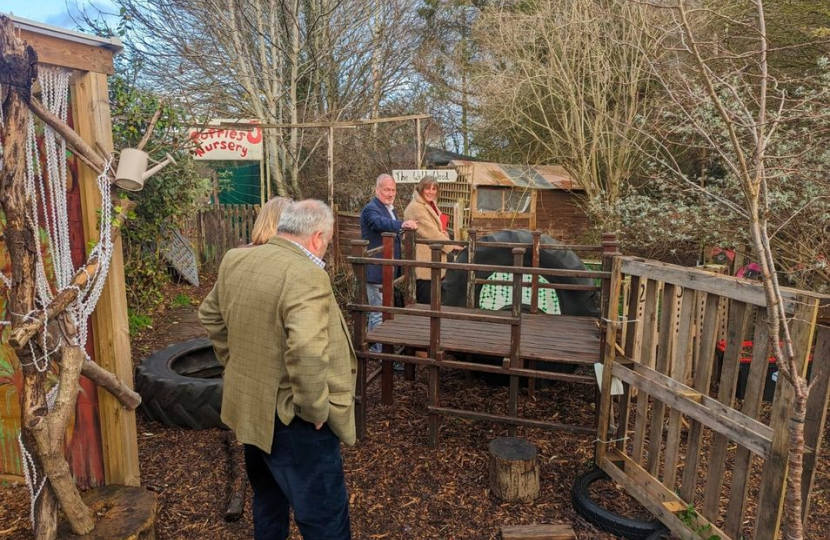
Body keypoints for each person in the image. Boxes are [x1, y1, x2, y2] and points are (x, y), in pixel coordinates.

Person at [199, 200, 356, 540]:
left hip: (252, 410)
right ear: (317, 237)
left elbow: (210, 315)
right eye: (327, 242)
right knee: (324, 519)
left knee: (268, 505)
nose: (326, 249)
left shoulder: (236, 259)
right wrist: (315, 409)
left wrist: (236, 363)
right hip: (296, 421)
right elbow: (307, 351)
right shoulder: (306, 274)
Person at [359, 174, 417, 352]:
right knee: (378, 313)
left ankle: (372, 348)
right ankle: (380, 353)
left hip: (387, 269)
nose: (390, 193)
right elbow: (379, 224)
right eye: (386, 189)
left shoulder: (389, 208)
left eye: (393, 190)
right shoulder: (371, 209)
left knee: (380, 312)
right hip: (377, 270)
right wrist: (402, 224)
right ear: (377, 190)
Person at [403, 176, 455, 304]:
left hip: (431, 261)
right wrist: (451, 246)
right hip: (423, 264)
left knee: (433, 302)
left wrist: (443, 234)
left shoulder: (430, 205)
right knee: (425, 303)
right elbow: (429, 232)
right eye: (427, 188)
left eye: (434, 189)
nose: (431, 192)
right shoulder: (416, 207)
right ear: (421, 189)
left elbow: (436, 229)